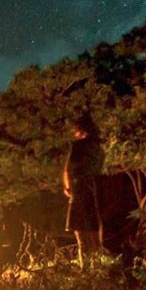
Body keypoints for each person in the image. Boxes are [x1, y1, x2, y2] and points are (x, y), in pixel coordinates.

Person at [63, 114, 104, 269]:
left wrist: (68, 188)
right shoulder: (98, 147)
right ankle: (98, 266)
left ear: (79, 129)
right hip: (96, 189)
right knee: (94, 232)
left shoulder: (78, 146)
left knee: (80, 232)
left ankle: (86, 269)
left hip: (80, 189)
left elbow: (68, 170)